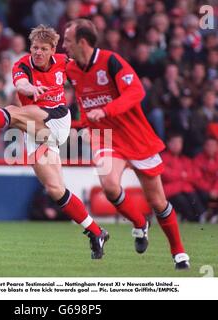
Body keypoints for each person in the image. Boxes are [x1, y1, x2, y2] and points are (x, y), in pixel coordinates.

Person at [0, 25, 109, 259]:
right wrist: (31, 88)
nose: (38, 52)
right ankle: (96, 232)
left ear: (52, 49)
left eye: (43, 49)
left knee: (12, 112)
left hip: (57, 121)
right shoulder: (22, 65)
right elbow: (21, 85)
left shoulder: (64, 62)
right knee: (55, 189)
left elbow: (86, 75)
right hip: (34, 127)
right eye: (35, 47)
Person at [63, 18, 190, 269]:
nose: (64, 46)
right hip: (104, 136)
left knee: (158, 202)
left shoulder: (111, 61)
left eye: (67, 40)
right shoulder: (70, 69)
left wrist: (107, 110)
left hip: (135, 135)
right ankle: (140, 223)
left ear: (83, 42)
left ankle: (178, 251)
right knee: (110, 185)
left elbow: (136, 93)